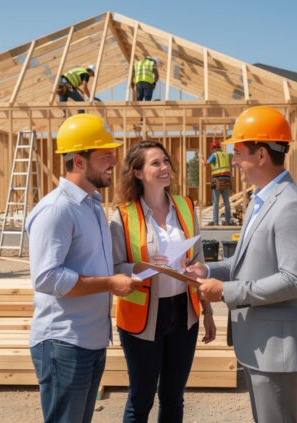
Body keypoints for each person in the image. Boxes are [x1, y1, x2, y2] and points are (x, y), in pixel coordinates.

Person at [186, 106, 297, 423]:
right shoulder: (260, 200)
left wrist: (226, 291)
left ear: (261, 155)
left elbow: (293, 280)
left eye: (239, 152)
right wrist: (209, 270)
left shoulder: (293, 206)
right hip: (258, 341)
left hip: (276, 348)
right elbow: (244, 262)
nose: (234, 161)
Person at [26, 113, 143, 423]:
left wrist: (137, 268)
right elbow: (46, 277)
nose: (115, 161)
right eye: (105, 155)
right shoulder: (56, 210)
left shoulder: (90, 204)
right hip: (63, 342)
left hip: (89, 339)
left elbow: (96, 263)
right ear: (79, 161)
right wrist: (109, 283)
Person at [110, 140, 216, 423]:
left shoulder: (185, 206)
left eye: (166, 161)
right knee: (140, 398)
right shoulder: (122, 215)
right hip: (142, 320)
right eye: (155, 163)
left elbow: (199, 262)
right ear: (138, 172)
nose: (165, 167)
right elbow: (115, 267)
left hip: (184, 314)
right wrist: (141, 267)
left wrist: (207, 311)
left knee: (173, 397)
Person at [200, 141, 233, 225]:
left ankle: (215, 222)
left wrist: (200, 157)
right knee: (226, 202)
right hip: (226, 180)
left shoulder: (214, 155)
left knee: (215, 202)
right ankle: (228, 221)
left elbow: (205, 164)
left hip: (217, 180)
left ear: (212, 149)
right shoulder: (226, 155)